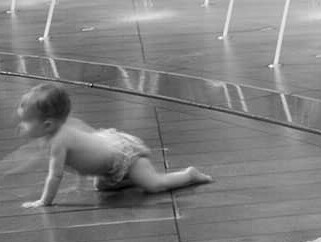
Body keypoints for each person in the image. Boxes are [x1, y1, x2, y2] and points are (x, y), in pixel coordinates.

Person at [15, 82, 212, 208]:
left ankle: (189, 174)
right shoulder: (63, 126)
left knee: (153, 185)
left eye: (24, 121)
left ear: (47, 124)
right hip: (110, 150)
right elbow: (88, 136)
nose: (21, 126)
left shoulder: (58, 141)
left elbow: (55, 175)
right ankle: (129, 178)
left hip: (123, 156)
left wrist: (44, 201)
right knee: (102, 187)